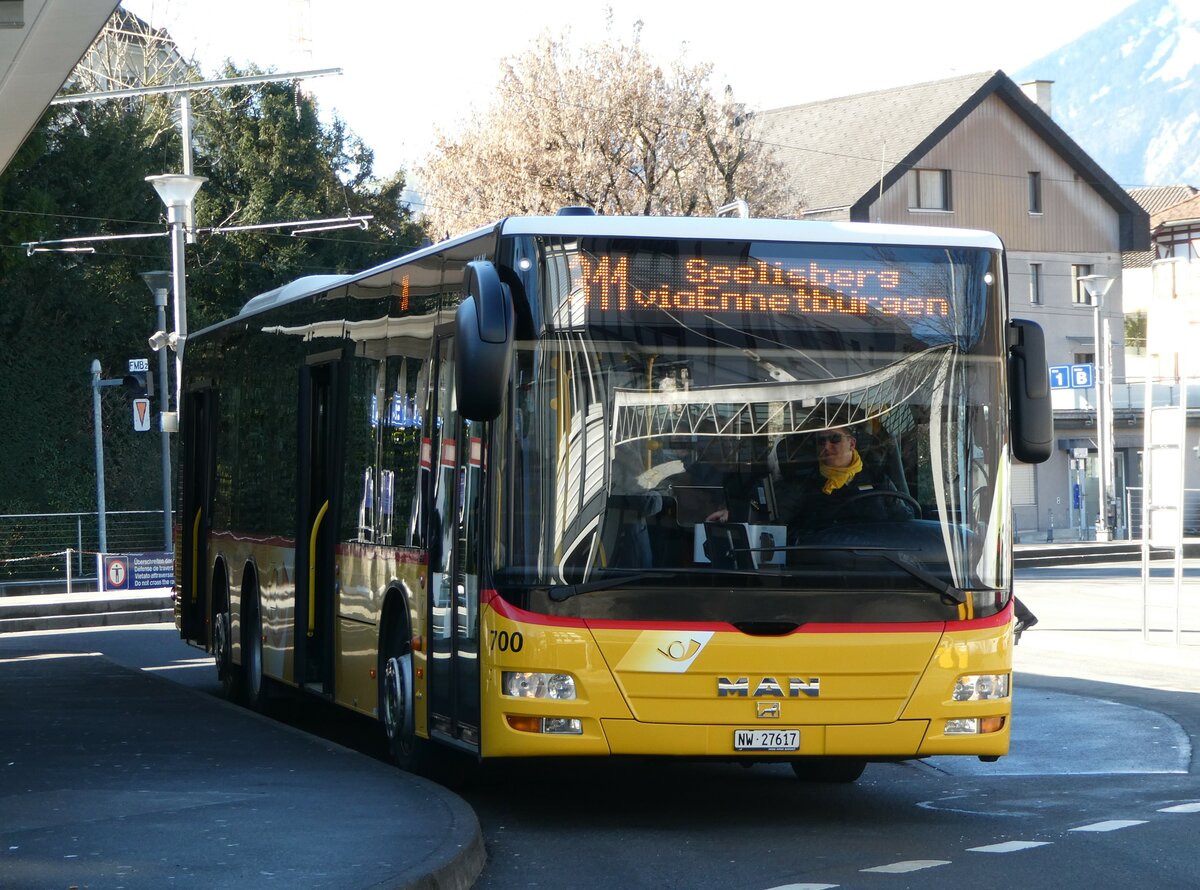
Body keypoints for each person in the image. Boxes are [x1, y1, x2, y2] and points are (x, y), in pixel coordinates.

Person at [772, 427, 914, 533]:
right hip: (824, 567)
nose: (827, 446)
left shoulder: (878, 479)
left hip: (878, 564)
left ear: (852, 444)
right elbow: (780, 532)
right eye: (821, 441)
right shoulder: (802, 486)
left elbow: (905, 524)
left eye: (835, 439)